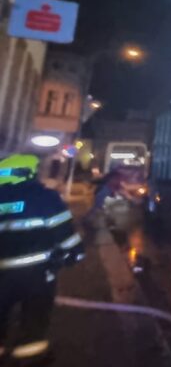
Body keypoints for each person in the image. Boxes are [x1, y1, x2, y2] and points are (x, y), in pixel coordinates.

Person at [0, 154, 84, 362]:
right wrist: (75, 253)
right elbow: (64, 232)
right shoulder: (45, 197)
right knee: (35, 317)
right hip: (37, 275)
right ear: (29, 174)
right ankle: (30, 354)